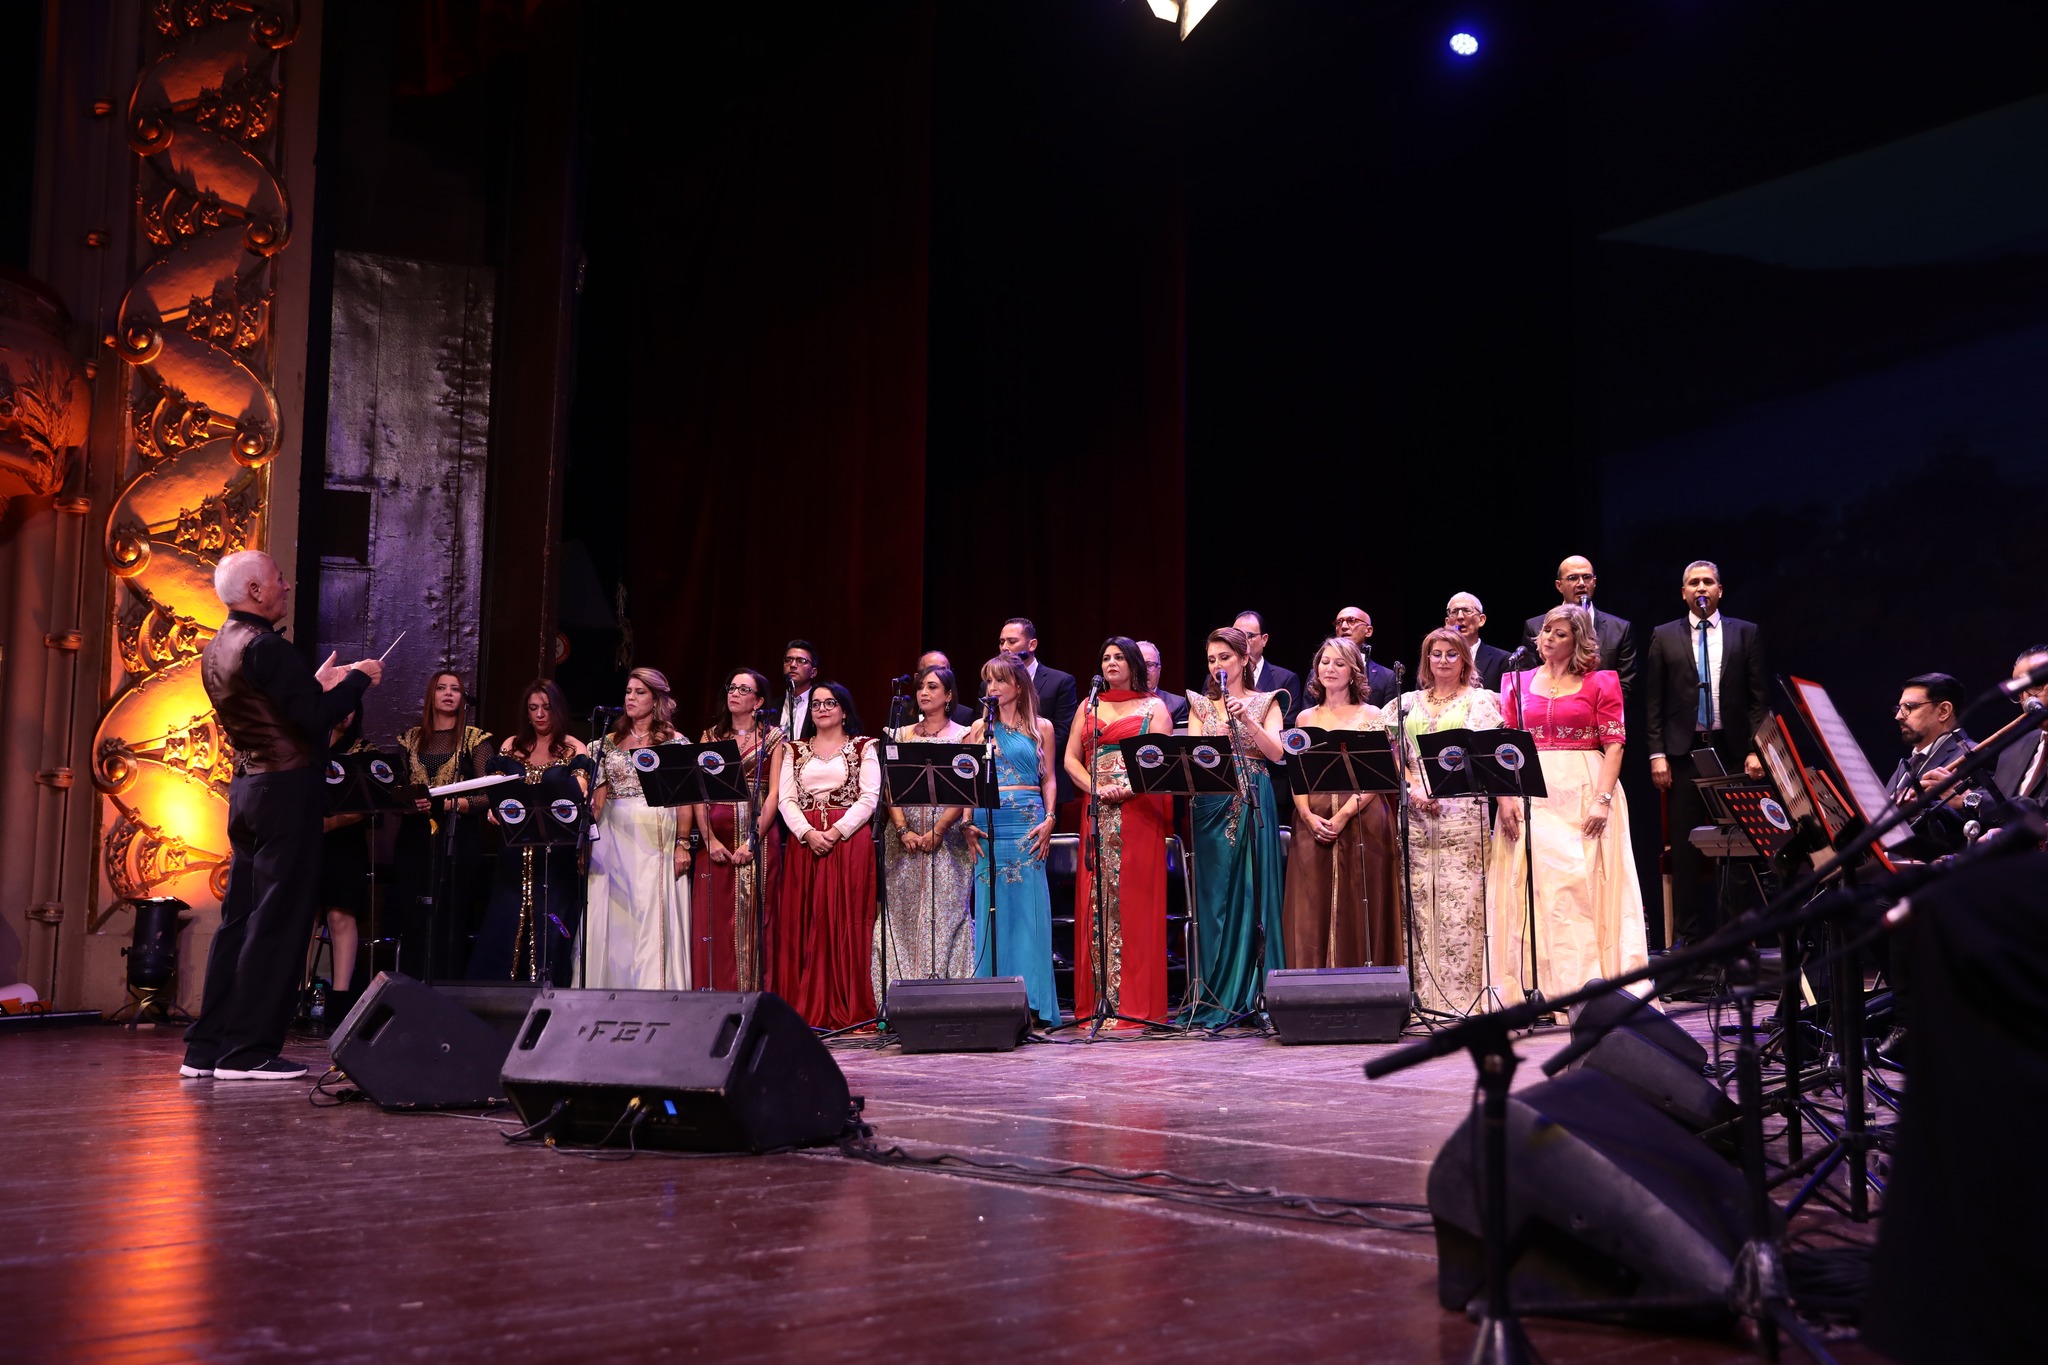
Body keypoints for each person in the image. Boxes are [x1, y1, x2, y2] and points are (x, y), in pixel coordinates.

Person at [182, 550, 381, 1081]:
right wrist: (358, 679)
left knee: (239, 921)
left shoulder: (217, 647)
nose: (286, 585)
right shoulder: (268, 646)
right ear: (254, 591)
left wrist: (314, 682)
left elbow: (276, 707)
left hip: (249, 790)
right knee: (278, 921)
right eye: (277, 579)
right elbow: (316, 718)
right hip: (285, 791)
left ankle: (206, 1049)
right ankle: (247, 1051)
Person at [1491, 605, 1647, 1006]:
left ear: (1578, 641)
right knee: (1535, 888)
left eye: (1560, 634)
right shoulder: (1515, 681)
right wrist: (1504, 798)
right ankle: (1536, 990)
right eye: (1546, 631)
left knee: (1578, 886)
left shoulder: (1601, 682)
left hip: (1583, 788)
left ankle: (1585, 991)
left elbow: (1615, 744)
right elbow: (1504, 745)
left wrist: (1602, 800)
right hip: (1530, 791)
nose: (1548, 639)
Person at [1644, 560, 1769, 946]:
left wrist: (1756, 750)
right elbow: (1654, 701)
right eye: (1694, 582)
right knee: (1684, 848)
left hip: (1732, 753)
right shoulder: (1664, 635)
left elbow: (1758, 700)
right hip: (1684, 755)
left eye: (1708, 582)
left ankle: (1736, 936)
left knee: (1736, 844)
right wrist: (1657, 754)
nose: (1701, 587)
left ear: (1720, 590)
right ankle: (1687, 937)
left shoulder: (1745, 633)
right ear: (1684, 592)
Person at [1387, 629, 1505, 1016]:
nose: (1442, 661)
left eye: (1451, 655)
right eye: (1435, 654)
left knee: (1462, 905)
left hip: (1462, 810)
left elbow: (1488, 759)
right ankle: (1421, 999)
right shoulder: (1405, 703)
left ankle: (1461, 1000)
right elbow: (1392, 754)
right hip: (1415, 812)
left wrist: (1444, 790)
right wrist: (1413, 787)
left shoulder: (1480, 701)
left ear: (1464, 660)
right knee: (1417, 903)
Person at [1063, 637, 1174, 1026]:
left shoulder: (1154, 707)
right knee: (1096, 901)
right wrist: (1095, 787)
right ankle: (1099, 1003)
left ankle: (1135, 1005)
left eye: (1119, 657)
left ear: (1133, 664)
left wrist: (1125, 789)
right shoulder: (1088, 704)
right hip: (1096, 810)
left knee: (1134, 903)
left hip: (1138, 810)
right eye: (1106, 657)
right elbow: (1070, 759)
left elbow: (1160, 762)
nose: (1111, 663)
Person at [1184, 626, 1287, 1026]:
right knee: (1216, 902)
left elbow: (1277, 754)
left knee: (1252, 891)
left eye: (1225, 657)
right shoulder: (1200, 706)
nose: (1218, 666)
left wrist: (1248, 722)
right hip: (1212, 804)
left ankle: (1257, 993)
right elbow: (1195, 758)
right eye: (1212, 659)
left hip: (1254, 797)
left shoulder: (1267, 701)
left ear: (1245, 659)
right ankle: (1216, 992)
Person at [1282, 637, 1404, 970]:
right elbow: (1297, 775)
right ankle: (1313, 985)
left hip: (1363, 816)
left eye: (1339, 663)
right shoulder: (1305, 718)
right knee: (1312, 903)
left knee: (1360, 899)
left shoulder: (1372, 715)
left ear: (1354, 672)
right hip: (1313, 819)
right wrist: (1306, 814)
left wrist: (1345, 814)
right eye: (1325, 662)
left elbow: (1379, 776)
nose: (1330, 669)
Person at [469, 680, 592, 984]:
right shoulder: (512, 745)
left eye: (546, 708)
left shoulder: (574, 748)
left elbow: (579, 790)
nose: (539, 714)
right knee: (506, 918)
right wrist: (494, 808)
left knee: (551, 919)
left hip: (555, 854)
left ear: (557, 709)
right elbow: (496, 790)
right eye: (533, 708)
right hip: (513, 850)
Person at [775, 681, 882, 1029]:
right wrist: (807, 833)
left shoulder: (864, 747)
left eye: (829, 703)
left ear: (844, 710)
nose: (821, 708)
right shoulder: (794, 750)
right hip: (805, 843)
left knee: (846, 919)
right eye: (816, 704)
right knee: (807, 919)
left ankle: (849, 1003)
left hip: (848, 842)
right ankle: (807, 1006)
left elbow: (869, 798)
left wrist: (836, 832)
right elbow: (786, 799)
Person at [965, 654, 1062, 1027]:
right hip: (989, 825)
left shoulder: (1042, 727)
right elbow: (969, 781)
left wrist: (1050, 818)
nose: (992, 688)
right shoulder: (979, 728)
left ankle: (1033, 1003)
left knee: (1028, 913)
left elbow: (1049, 778)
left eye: (1000, 681)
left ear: (1018, 686)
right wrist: (966, 823)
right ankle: (991, 1002)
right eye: (988, 681)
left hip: (1027, 824)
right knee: (992, 910)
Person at [583, 667, 692, 990]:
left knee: (649, 909)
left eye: (640, 692)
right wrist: (587, 841)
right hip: (613, 833)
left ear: (656, 700)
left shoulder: (674, 743)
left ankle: (651, 989)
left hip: (655, 831)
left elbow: (684, 798)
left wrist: (683, 843)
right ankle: (609, 989)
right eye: (628, 691)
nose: (631, 698)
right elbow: (597, 800)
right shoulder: (606, 743)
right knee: (614, 913)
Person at [874, 665, 977, 994]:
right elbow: (889, 787)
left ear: (948, 695)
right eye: (921, 687)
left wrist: (939, 829)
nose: (923, 692)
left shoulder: (964, 734)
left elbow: (966, 789)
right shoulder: (899, 734)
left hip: (947, 840)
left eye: (933, 687)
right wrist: (902, 829)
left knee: (946, 913)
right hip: (903, 839)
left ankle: (948, 993)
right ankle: (898, 993)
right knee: (902, 914)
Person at [393, 670, 495, 980]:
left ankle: (447, 987)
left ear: (463, 699)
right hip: (415, 838)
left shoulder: (476, 739)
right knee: (414, 915)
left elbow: (489, 794)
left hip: (457, 838)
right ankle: (410, 986)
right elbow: (396, 790)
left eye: (455, 689)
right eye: (441, 688)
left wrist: (452, 804)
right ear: (431, 695)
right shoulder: (410, 738)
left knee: (451, 915)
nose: (448, 693)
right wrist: (411, 803)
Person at [690, 667, 783, 991]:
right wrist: (709, 838)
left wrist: (752, 840)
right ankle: (714, 996)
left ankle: (752, 995)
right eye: (731, 687)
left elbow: (774, 794)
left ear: (758, 701)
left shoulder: (774, 738)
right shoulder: (710, 736)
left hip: (758, 840)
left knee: (756, 919)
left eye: (744, 689)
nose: (734, 693)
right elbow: (699, 790)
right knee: (714, 920)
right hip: (715, 839)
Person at [314, 712, 375, 1024]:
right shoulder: (306, 742)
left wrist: (329, 824)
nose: (346, 714)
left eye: (352, 707)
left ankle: (340, 1003)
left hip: (345, 843)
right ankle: (295, 999)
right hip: (306, 841)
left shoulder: (363, 749)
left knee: (340, 915)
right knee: (302, 918)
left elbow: (368, 803)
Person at [1884, 672, 1978, 859]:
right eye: (1899, 708)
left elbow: (1975, 825)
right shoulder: (1907, 765)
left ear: (1943, 711)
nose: (1899, 716)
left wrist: (1916, 808)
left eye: (1910, 707)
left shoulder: (1973, 755)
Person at [1523, 555, 1637, 703]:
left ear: (1594, 582)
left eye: (1587, 577)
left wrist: (1588, 710)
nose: (1581, 583)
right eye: (1573, 578)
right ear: (1559, 585)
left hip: (1600, 712)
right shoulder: (1536, 626)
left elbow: (1625, 686)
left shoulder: (1620, 629)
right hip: (1550, 710)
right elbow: (1528, 683)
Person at [998, 617, 1080, 807]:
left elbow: (1063, 732)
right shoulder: (990, 685)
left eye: (1012, 641)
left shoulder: (1060, 681)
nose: (1005, 647)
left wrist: (1025, 759)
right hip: (1001, 783)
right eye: (1002, 642)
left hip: (1044, 779)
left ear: (1032, 644)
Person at [1991, 645, 2048, 801]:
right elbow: (1996, 805)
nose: (2027, 700)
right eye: (2020, 690)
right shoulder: (2013, 748)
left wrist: (1973, 800)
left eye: (2036, 684)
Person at [1233, 610, 1302, 726]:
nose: (1242, 641)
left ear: (1264, 639)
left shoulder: (1285, 679)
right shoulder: (1217, 678)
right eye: (1236, 635)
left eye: (1249, 636)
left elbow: (1287, 729)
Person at [1445, 592, 1513, 692]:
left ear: (1481, 620)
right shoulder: (1435, 660)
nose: (1460, 616)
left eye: (1466, 610)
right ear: (1447, 623)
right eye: (1454, 612)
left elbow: (1508, 699)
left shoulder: (1504, 660)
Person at [1333, 605, 1399, 706]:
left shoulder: (1387, 677)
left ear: (1368, 631)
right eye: (1339, 622)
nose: (1344, 626)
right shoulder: (1320, 672)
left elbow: (1389, 715)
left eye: (1352, 621)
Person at [1136, 639, 1190, 731]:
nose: (1144, 671)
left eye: (1150, 665)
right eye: (1138, 665)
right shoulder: (1117, 704)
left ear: (1159, 670)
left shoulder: (1178, 705)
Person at [918, 649, 977, 727]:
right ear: (916, 677)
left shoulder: (965, 716)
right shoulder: (902, 713)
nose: (934, 674)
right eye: (929, 670)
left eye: (932, 687)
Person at [776, 640, 818, 740]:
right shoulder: (772, 706)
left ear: (813, 672)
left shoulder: (820, 707)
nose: (793, 665)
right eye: (788, 660)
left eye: (801, 661)